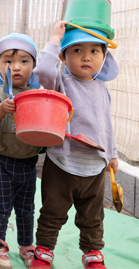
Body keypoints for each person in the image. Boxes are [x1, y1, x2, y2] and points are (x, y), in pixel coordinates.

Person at [30, 19, 119, 269]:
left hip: (95, 168)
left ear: (104, 56)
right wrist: (55, 37)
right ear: (64, 56)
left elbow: (106, 126)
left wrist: (111, 155)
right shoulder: (61, 83)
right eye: (77, 50)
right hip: (62, 163)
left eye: (94, 50)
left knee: (92, 216)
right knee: (53, 211)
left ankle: (92, 253)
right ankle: (44, 250)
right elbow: (44, 71)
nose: (86, 57)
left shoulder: (102, 89)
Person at [0, 33, 42, 269]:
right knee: (2, 208)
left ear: (34, 65)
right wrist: (1, 110)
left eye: (24, 61)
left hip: (28, 161)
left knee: (26, 210)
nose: (16, 67)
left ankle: (27, 247)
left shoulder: (38, 95)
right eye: (8, 61)